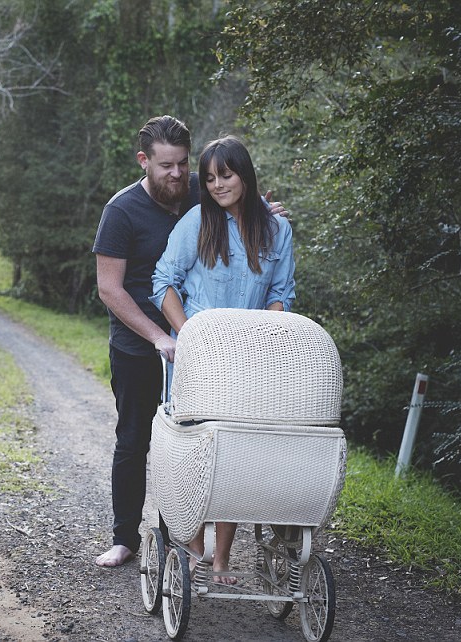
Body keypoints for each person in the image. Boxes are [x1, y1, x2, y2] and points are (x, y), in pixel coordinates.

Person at [91, 117, 287, 568]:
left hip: (208, 349)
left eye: (182, 164)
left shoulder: (202, 186)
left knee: (195, 443)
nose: (178, 175)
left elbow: (243, 204)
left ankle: (176, 539)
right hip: (141, 342)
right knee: (136, 438)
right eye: (166, 166)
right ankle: (124, 538)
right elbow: (110, 289)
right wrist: (161, 336)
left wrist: (268, 217)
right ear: (144, 161)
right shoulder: (121, 212)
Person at [150, 134, 296, 582]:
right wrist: (187, 334)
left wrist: (265, 339)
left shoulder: (276, 231)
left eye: (226, 175)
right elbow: (162, 281)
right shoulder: (196, 223)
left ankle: (221, 560)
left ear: (245, 176)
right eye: (209, 178)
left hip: (249, 362)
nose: (217, 185)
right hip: (198, 360)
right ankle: (194, 550)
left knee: (235, 458)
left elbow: (280, 294)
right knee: (196, 455)